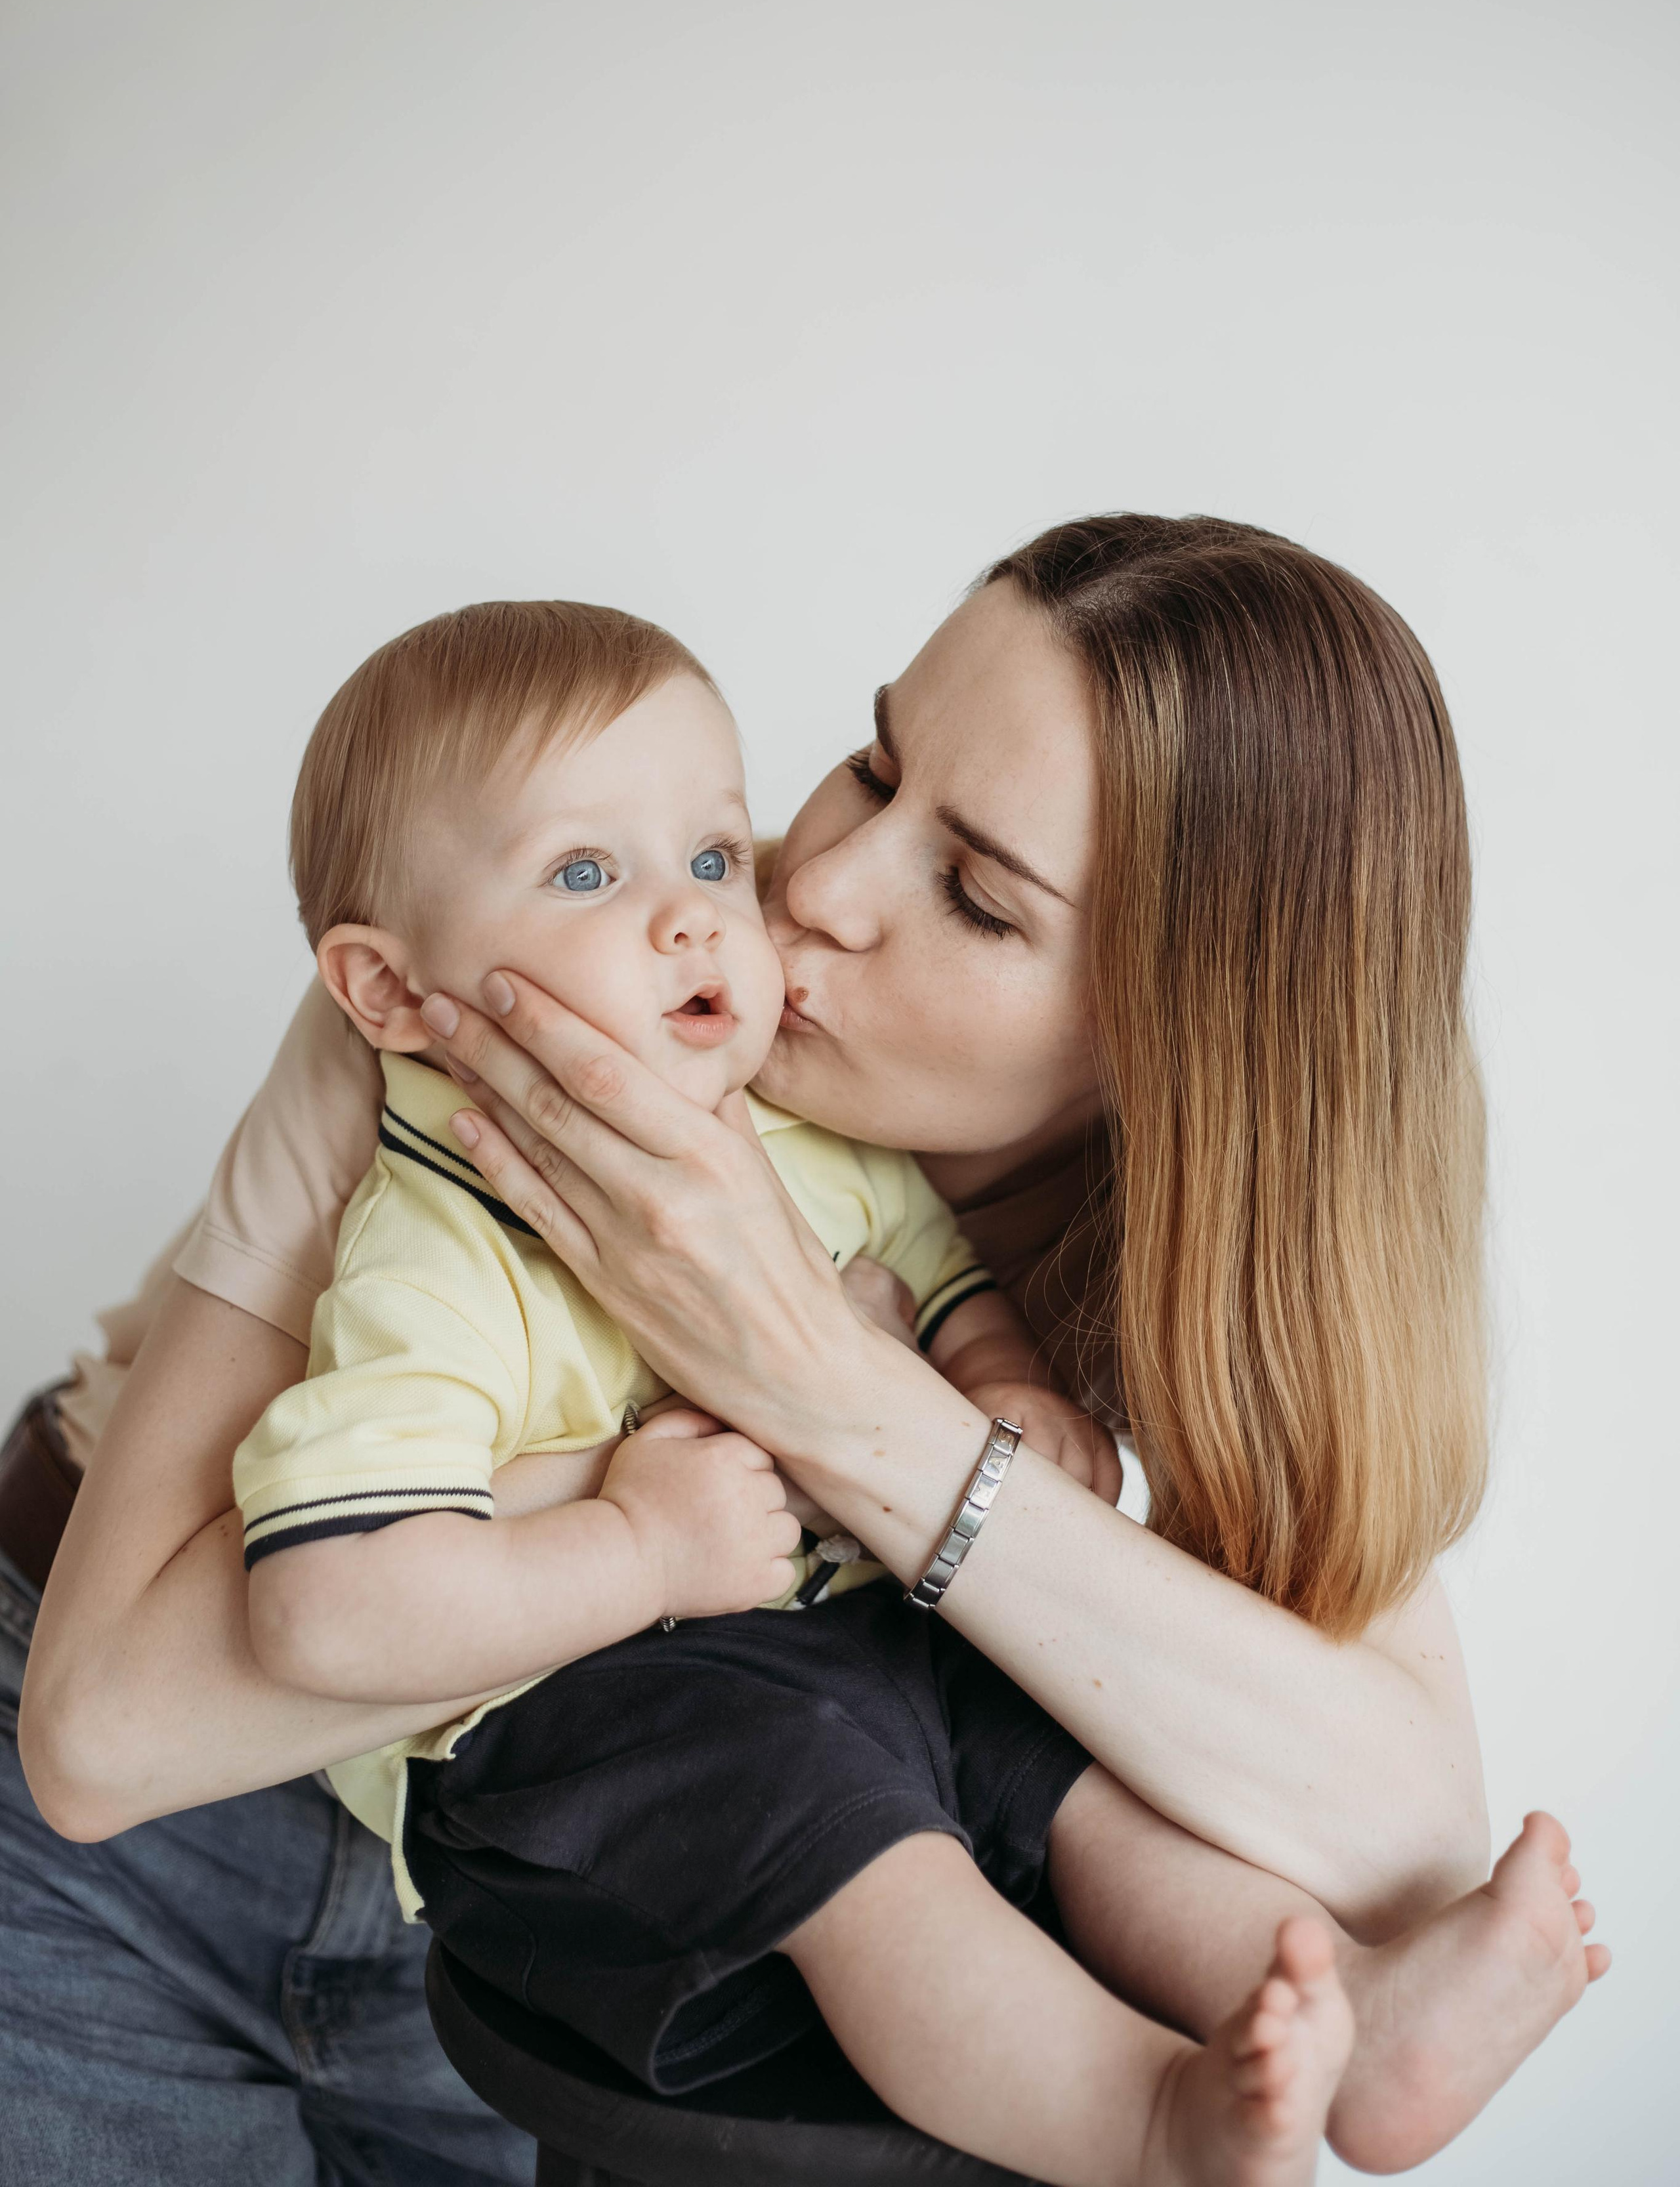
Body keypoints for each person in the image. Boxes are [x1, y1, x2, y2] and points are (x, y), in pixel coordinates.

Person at [10, 517, 1604, 2183]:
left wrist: (854, 1408)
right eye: (870, 764)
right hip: (138, 1849)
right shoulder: (527, 986)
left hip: (557, 1904)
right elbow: (110, 1739)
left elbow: (1399, 1836)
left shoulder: (1197, 1248)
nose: (808, 887)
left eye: (974, 894)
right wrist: (698, 1487)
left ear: (1167, 1041)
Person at [234, 594, 1357, 2187]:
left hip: (821, 1647)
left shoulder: (807, 1129)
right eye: (582, 875)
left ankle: (1352, 2012)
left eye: (705, 856)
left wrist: (1001, 1393)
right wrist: (634, 1544)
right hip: (588, 1717)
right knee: (855, 1845)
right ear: (390, 992)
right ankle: (1141, 2118)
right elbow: (320, 1618)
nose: (758, 901)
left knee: (1066, 1762)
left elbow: (939, 1283)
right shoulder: (439, 1228)